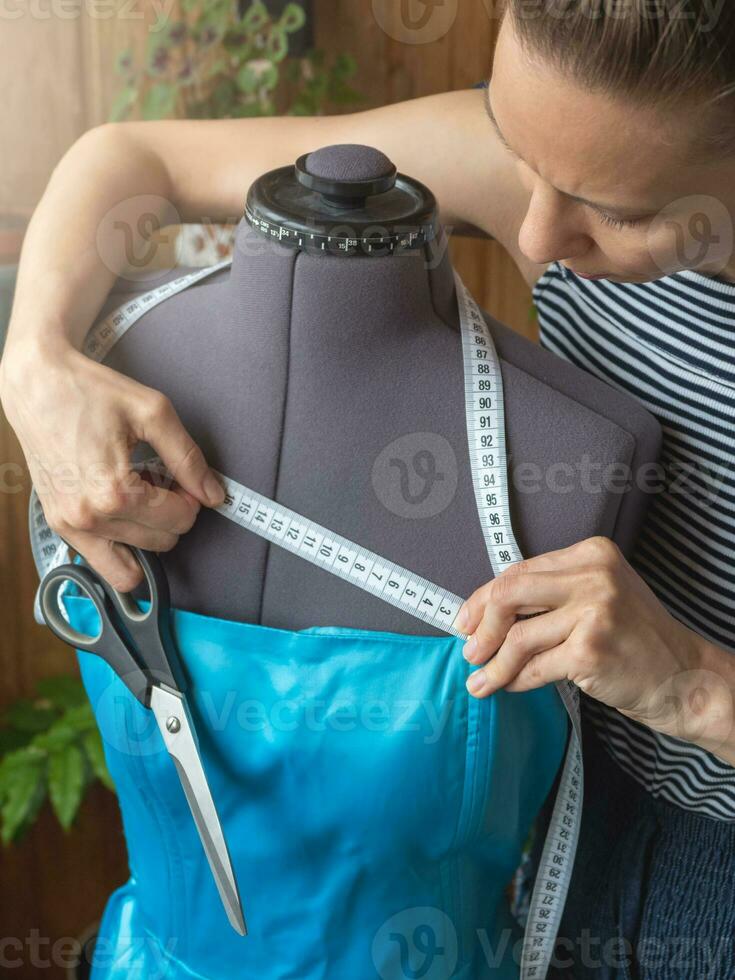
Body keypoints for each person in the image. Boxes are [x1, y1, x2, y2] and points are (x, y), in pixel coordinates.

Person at [2, 2, 734, 977]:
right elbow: (130, 159)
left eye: (620, 212)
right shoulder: (575, 147)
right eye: (519, 155)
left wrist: (696, 683)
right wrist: (34, 365)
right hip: (570, 819)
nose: (535, 233)